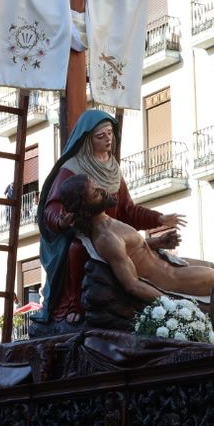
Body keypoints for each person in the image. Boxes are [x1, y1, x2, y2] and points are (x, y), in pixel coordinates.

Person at [36, 110, 184, 327]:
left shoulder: (112, 168)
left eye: (110, 133)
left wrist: (159, 219)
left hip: (111, 232)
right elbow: (52, 206)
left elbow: (126, 210)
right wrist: (61, 220)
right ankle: (74, 303)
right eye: (101, 136)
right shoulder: (72, 168)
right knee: (77, 249)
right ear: (88, 139)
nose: (108, 139)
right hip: (82, 233)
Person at [55, 174, 214, 302]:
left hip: (168, 263)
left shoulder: (109, 222)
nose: (102, 190)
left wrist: (158, 242)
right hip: (172, 279)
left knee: (212, 266)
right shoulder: (106, 238)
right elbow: (132, 285)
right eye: (95, 194)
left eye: (97, 185)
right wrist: (172, 305)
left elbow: (134, 249)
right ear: (85, 208)